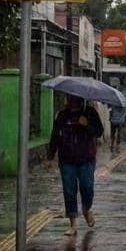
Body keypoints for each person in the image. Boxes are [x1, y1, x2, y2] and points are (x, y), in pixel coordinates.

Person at [44, 95, 103, 237]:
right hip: (67, 160)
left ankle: (86, 209)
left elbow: (99, 132)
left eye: (75, 98)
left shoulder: (90, 112)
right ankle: (73, 224)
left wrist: (87, 125)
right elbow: (55, 136)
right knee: (69, 191)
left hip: (86, 158)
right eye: (70, 97)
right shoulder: (62, 116)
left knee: (87, 187)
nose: (72, 100)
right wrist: (50, 157)